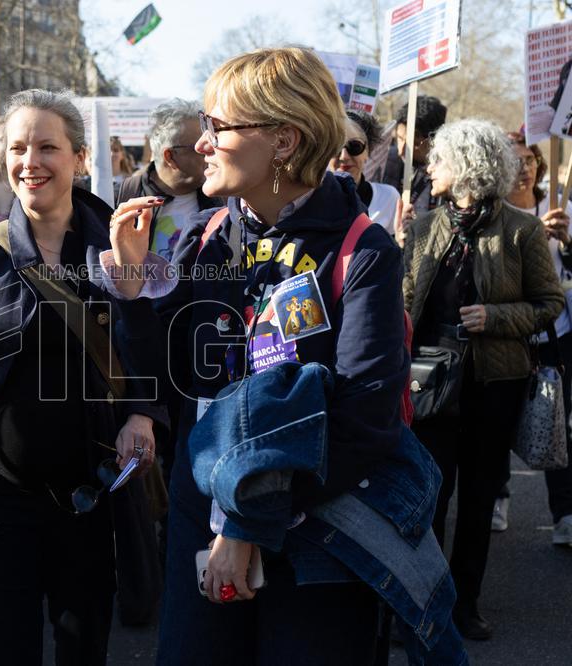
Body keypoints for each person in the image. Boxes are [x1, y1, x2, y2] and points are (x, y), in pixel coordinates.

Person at [141, 48, 463, 665]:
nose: (201, 143)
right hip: (198, 524)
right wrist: (133, 295)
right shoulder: (207, 238)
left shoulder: (361, 247)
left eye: (219, 126)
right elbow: (174, 383)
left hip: (314, 538)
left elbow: (364, 418)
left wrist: (246, 522)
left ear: (284, 140)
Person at [0, 88, 168, 665]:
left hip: (90, 496)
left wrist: (142, 414)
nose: (32, 162)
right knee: (1, 650)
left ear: (80, 158)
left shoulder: (121, 243)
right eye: (19, 147)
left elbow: (151, 351)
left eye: (48, 147)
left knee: (84, 647)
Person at [403, 119, 564, 640]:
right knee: (430, 497)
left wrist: (495, 318)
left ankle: (463, 604)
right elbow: (403, 303)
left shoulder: (522, 228)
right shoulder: (424, 226)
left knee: (476, 500)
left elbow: (549, 303)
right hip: (428, 382)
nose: (430, 166)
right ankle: (421, 602)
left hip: (494, 383)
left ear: (468, 167)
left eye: (440, 159)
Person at [497, 130, 572, 545]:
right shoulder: (493, 213)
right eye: (514, 160)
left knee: (558, 421)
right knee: (502, 418)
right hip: (511, 337)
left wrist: (567, 241)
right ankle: (498, 494)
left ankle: (565, 512)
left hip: (558, 335)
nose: (523, 168)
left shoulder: (561, 208)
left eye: (529, 160)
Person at [116, 98, 221, 260]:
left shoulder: (223, 198)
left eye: (211, 142)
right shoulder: (123, 198)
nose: (209, 150)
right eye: (198, 146)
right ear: (170, 156)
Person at [327, 110, 401, 235]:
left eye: (355, 146)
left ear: (368, 151)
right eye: (336, 147)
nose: (344, 156)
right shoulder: (307, 198)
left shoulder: (388, 198)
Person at [382, 95, 447, 218]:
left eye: (414, 144)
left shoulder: (447, 172)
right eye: (400, 139)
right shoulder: (387, 163)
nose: (401, 150)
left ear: (434, 140)